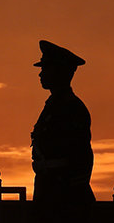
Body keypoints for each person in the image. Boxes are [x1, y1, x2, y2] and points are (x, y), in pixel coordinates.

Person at [31, 40, 95, 205]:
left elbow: (81, 155)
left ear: (61, 72)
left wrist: (74, 192)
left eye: (46, 68)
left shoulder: (71, 108)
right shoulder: (53, 106)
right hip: (48, 188)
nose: (41, 74)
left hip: (65, 193)